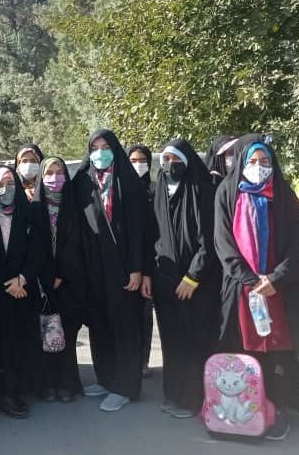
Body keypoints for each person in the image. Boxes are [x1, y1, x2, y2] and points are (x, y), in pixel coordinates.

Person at [214, 141, 299, 440]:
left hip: (281, 289)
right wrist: (250, 279)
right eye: (252, 161)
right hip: (242, 288)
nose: (258, 167)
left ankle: (278, 407)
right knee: (244, 347)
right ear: (242, 163)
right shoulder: (227, 192)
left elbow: (297, 242)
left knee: (279, 349)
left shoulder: (284, 194)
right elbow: (223, 242)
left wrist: (275, 279)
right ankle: (245, 406)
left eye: (265, 161)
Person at [69, 129, 148, 413]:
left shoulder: (128, 181)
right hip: (93, 266)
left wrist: (137, 268)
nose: (100, 152)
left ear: (115, 149)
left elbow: (140, 230)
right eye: (95, 147)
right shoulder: (82, 181)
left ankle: (126, 387)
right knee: (100, 324)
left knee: (124, 325)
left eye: (106, 147)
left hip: (123, 267)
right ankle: (106, 378)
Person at [152, 141, 221, 419]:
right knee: (172, 341)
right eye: (165, 158)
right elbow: (153, 236)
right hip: (166, 282)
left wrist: (193, 277)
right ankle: (174, 393)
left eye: (175, 158)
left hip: (197, 284)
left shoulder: (202, 190)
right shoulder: (159, 190)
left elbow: (209, 242)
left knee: (195, 341)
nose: (170, 164)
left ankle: (194, 399)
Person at [0, 166, 45, 418]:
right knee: (0, 343)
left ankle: (23, 385)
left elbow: (38, 249)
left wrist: (22, 279)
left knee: (22, 338)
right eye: (0, 184)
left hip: (23, 290)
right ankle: (4, 392)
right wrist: (7, 285)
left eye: (11, 183)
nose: (6, 189)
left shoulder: (28, 214)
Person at [34, 156, 84, 403]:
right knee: (44, 331)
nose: (54, 177)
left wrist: (62, 273)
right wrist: (46, 275)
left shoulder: (75, 206)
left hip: (68, 282)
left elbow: (78, 244)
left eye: (59, 172)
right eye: (49, 173)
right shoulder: (34, 208)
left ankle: (67, 383)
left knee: (67, 333)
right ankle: (47, 384)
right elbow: (32, 246)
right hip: (41, 282)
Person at [126, 144, 156, 378]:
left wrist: (147, 271)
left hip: (149, 263)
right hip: (125, 266)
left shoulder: (155, 190)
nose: (138, 165)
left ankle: (143, 361)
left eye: (142, 160)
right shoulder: (122, 190)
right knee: (128, 318)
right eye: (133, 160)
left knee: (145, 317)